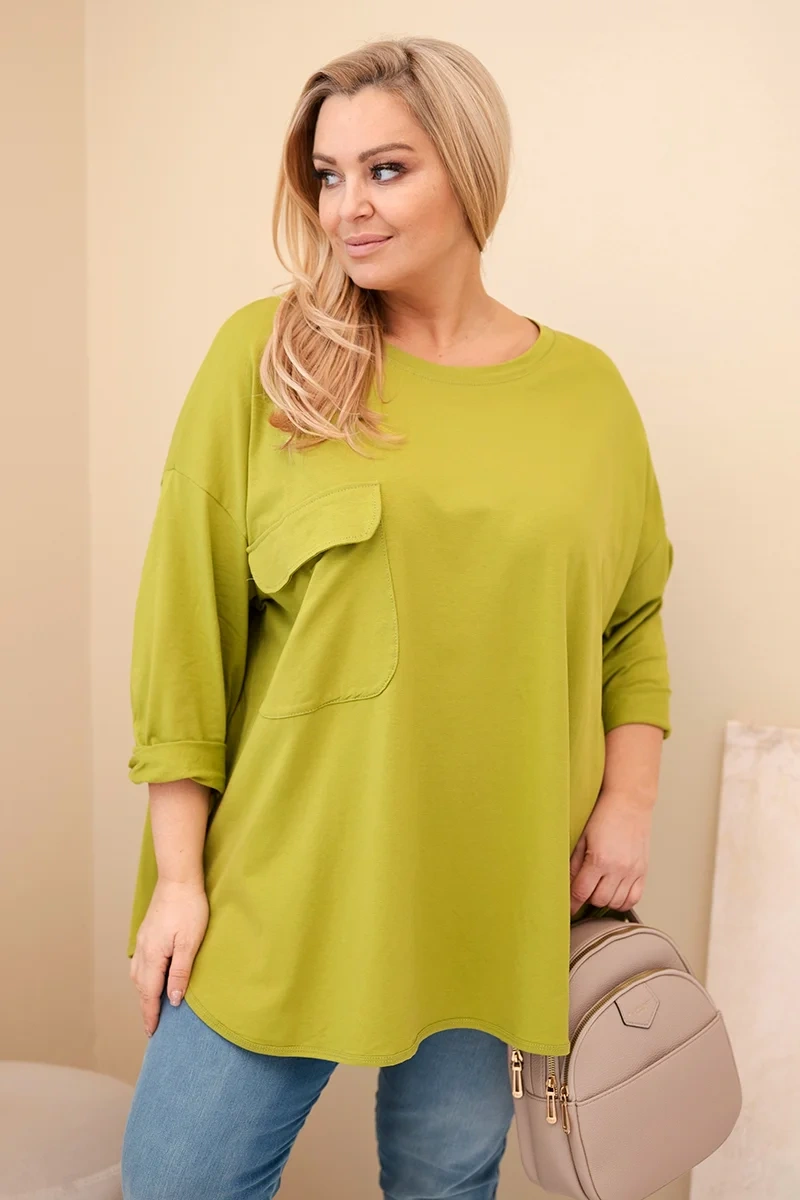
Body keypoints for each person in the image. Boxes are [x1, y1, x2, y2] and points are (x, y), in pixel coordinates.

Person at [120, 34, 674, 1200]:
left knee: (446, 1178)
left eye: (385, 169)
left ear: (468, 172)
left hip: (495, 881)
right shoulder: (266, 360)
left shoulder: (585, 396)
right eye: (327, 176)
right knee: (179, 1180)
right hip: (291, 871)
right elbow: (183, 633)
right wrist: (178, 876)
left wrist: (625, 805)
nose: (346, 208)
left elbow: (629, 621)